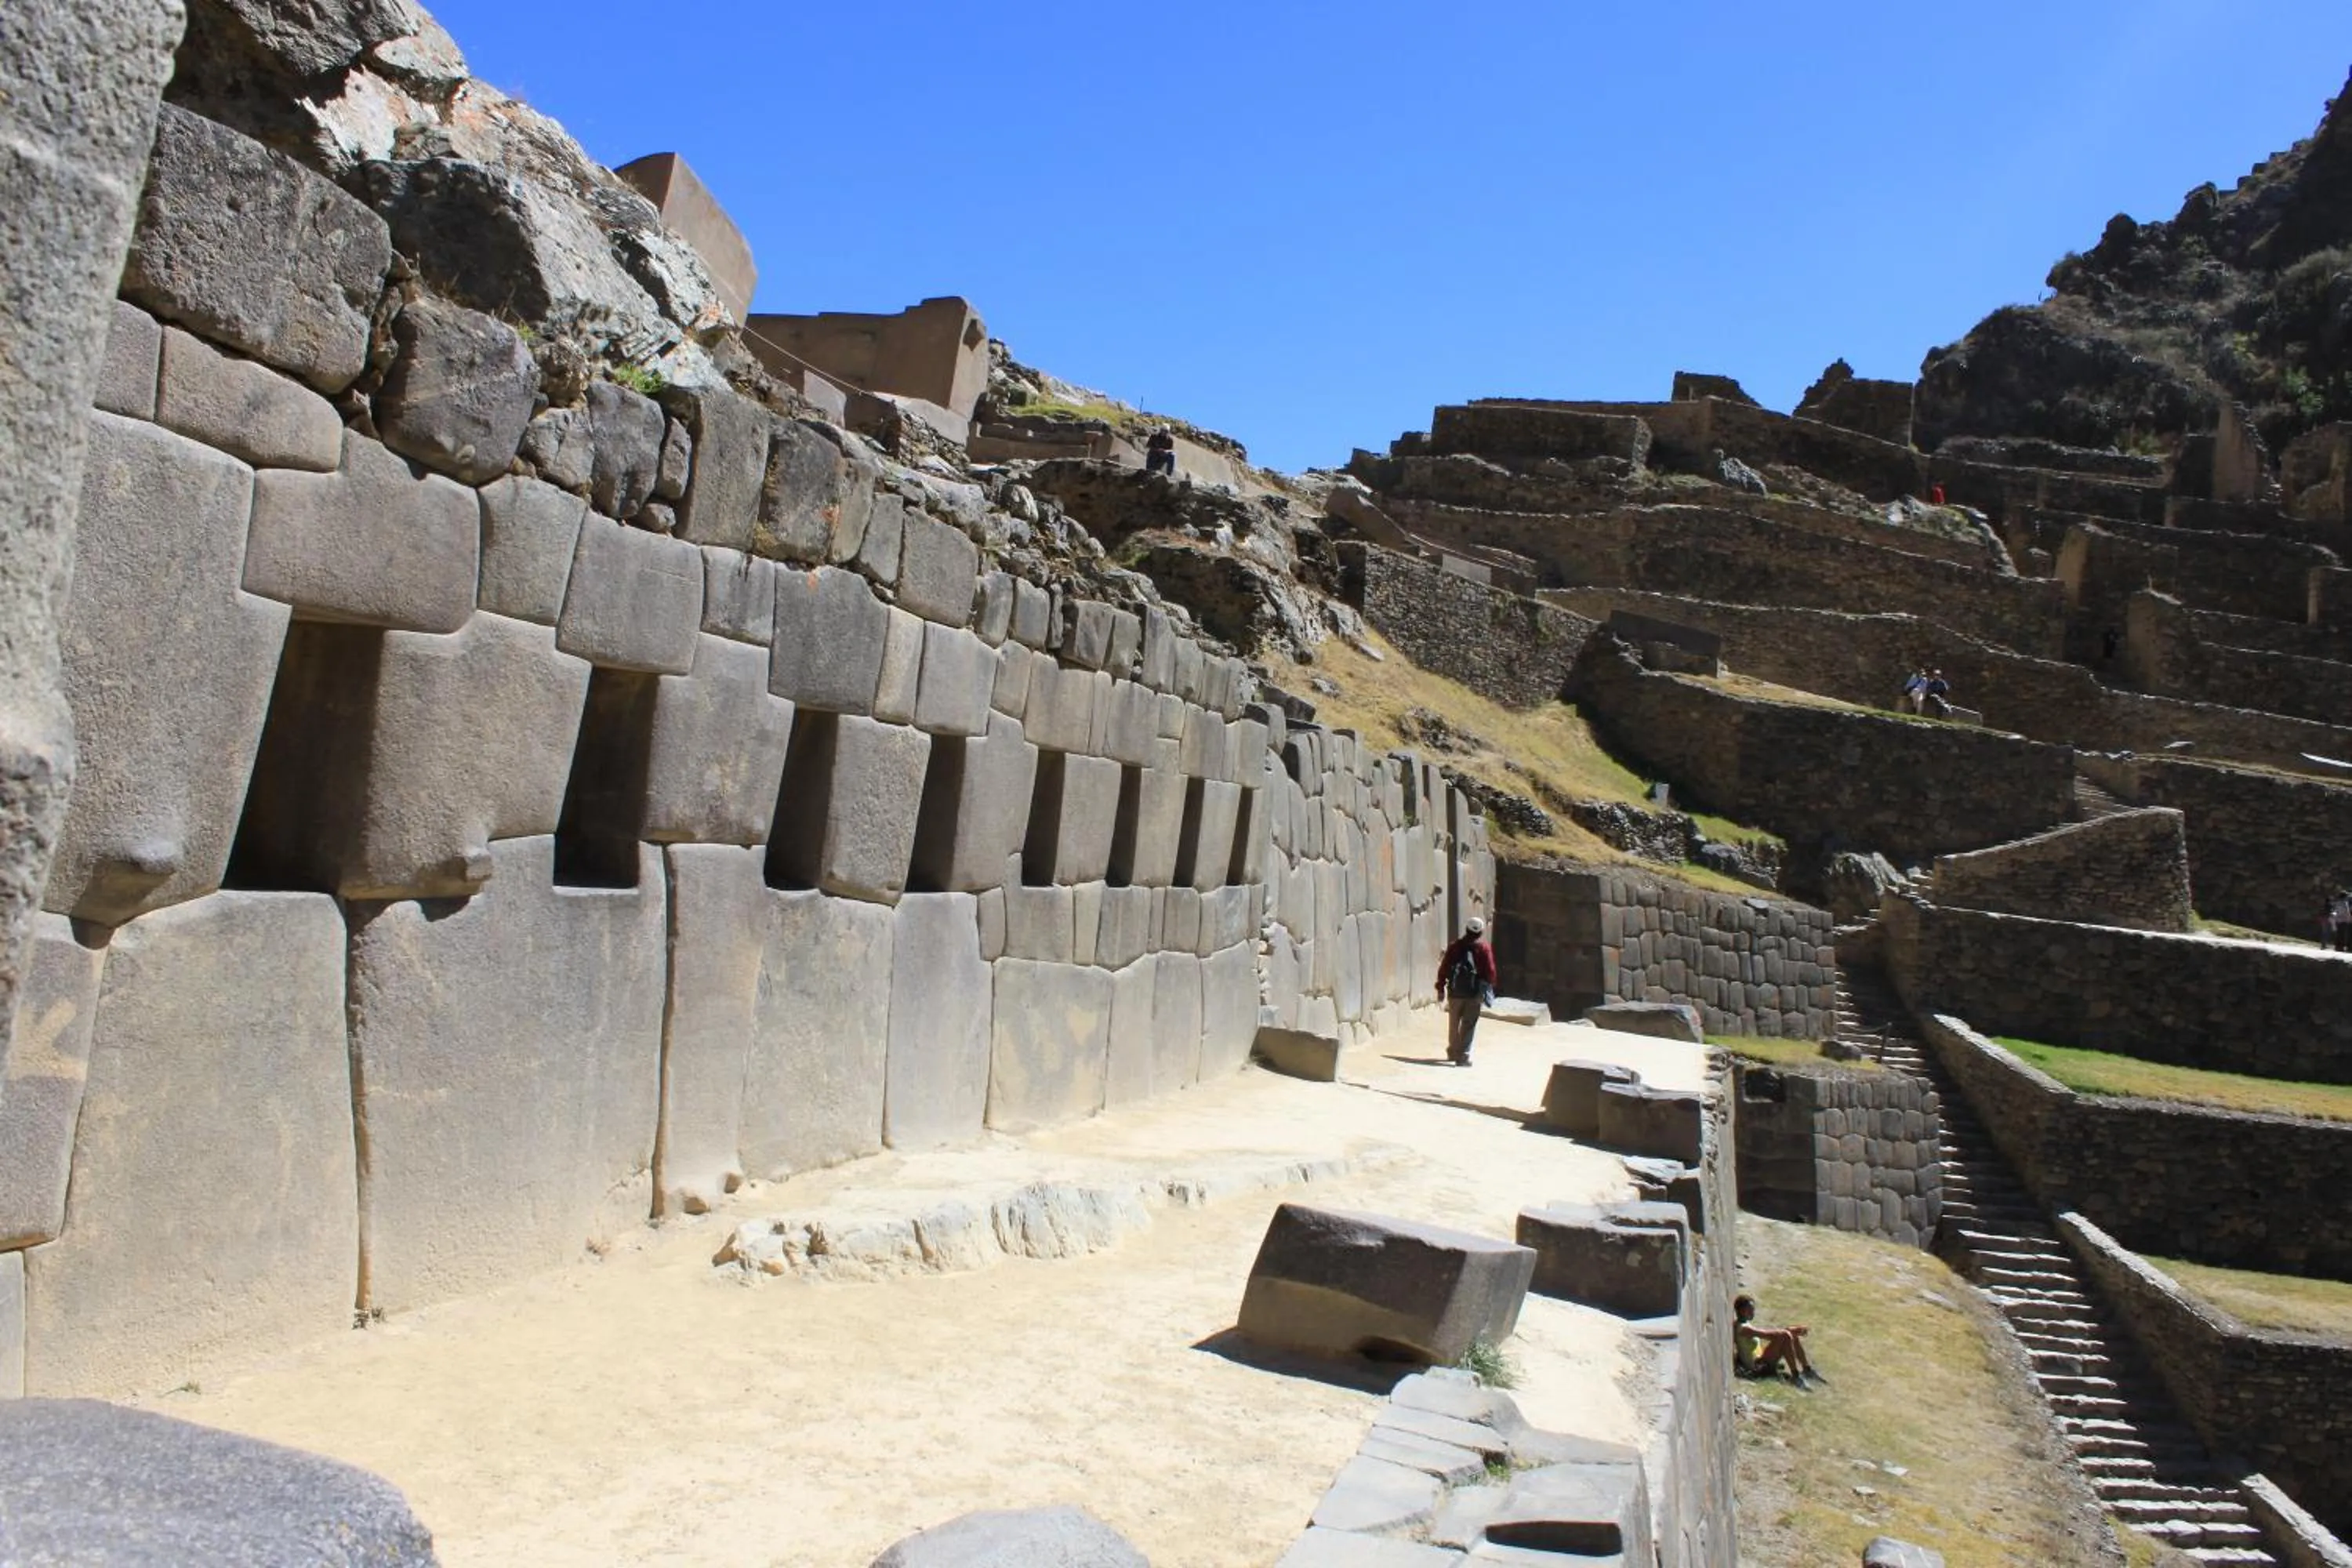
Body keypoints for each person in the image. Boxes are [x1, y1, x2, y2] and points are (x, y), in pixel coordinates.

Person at [1435, 916, 1497, 1066]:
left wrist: (1441, 988)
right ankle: (1463, 1056)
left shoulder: (1454, 947)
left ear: (1466, 930)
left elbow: (1444, 968)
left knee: (1454, 1022)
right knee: (1469, 1024)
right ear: (1481, 932)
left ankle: (1452, 1051)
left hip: (1455, 991)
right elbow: (1490, 971)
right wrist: (1488, 989)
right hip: (1474, 994)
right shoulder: (1483, 949)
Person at [1733, 1294, 1823, 1387]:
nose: (1753, 1312)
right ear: (1741, 1311)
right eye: (1749, 1310)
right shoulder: (1744, 1329)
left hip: (1761, 1360)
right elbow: (1768, 1335)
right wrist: (1789, 1331)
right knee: (1785, 1335)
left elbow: (1775, 1335)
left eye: (1753, 1309)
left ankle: (1807, 1369)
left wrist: (1791, 1330)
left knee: (1790, 1336)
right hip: (1757, 1367)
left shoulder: (1744, 1324)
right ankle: (1795, 1376)